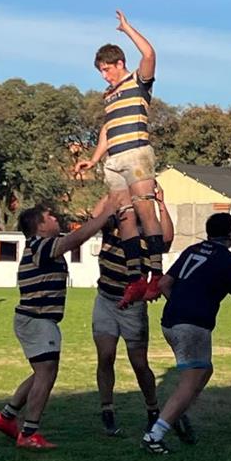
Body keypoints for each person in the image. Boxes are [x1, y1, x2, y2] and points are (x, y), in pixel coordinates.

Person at [0, 194, 120, 450]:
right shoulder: (41, 245)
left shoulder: (45, 244)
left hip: (38, 320)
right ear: (39, 226)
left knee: (42, 372)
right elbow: (78, 238)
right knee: (47, 373)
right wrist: (108, 214)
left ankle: (6, 417)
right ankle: (29, 433)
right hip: (37, 319)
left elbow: (84, 230)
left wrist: (107, 203)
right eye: (49, 217)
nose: (55, 218)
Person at [141, 212, 231, 454]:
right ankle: (155, 434)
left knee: (204, 370)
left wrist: (178, 303)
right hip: (193, 325)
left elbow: (164, 283)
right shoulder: (230, 262)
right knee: (191, 380)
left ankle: (177, 413)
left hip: (170, 320)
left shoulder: (191, 250)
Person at [73, 10, 166, 308]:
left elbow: (150, 53)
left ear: (119, 64)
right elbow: (107, 129)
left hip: (136, 153)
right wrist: (94, 158)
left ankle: (156, 276)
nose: (104, 75)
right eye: (100, 71)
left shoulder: (138, 82)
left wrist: (127, 29)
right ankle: (135, 279)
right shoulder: (109, 95)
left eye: (106, 69)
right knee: (124, 216)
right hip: (113, 160)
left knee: (145, 210)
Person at [93, 186, 174, 437]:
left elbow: (167, 239)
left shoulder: (149, 236)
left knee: (139, 362)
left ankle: (152, 409)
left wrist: (160, 204)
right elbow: (95, 218)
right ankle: (107, 409)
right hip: (106, 298)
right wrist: (114, 189)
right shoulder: (117, 224)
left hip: (133, 305)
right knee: (105, 356)